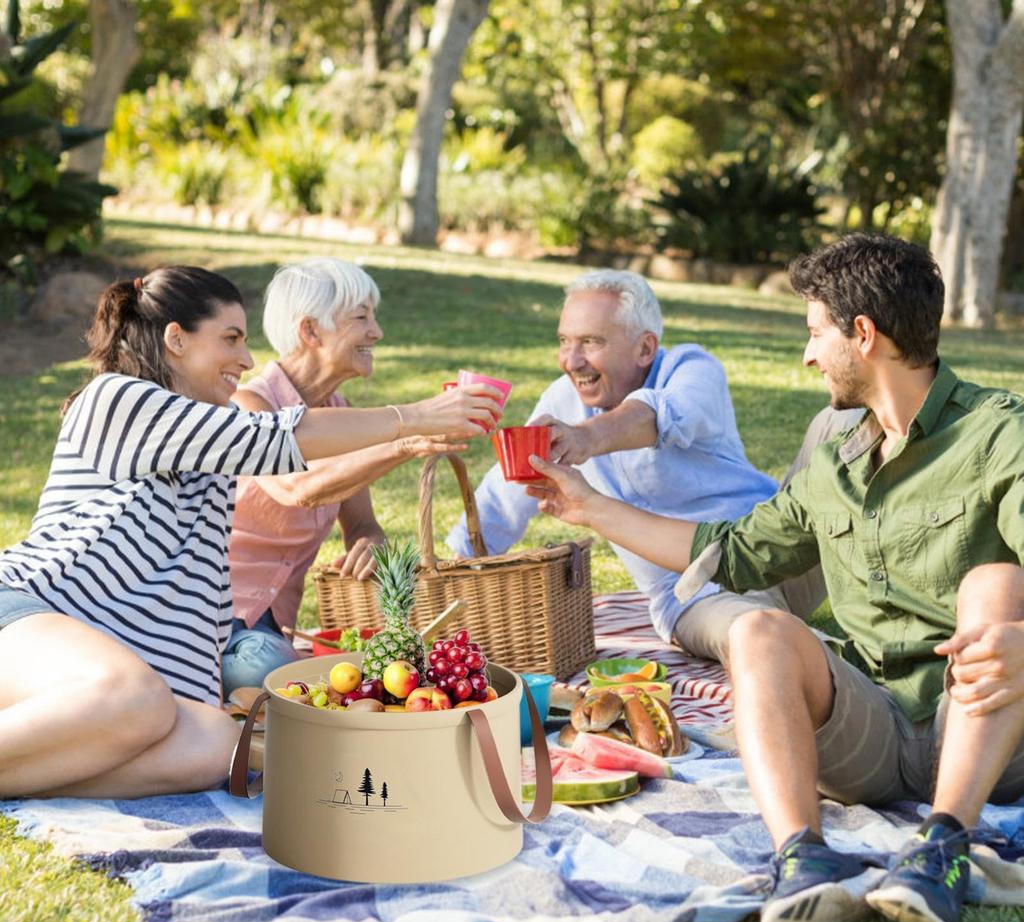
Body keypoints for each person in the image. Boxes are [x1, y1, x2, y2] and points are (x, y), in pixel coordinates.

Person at [524, 234, 1024, 922]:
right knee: (755, 631)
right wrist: (586, 506)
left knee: (996, 583)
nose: (807, 353)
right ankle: (804, 859)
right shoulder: (837, 457)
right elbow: (725, 553)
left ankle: (941, 849)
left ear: (863, 334)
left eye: (816, 332)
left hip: (983, 731)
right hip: (876, 729)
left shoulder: (999, 434)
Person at [0, 266, 502, 800]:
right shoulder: (116, 400)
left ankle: (32, 769)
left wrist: (205, 696)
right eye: (231, 339)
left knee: (220, 742)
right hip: (28, 617)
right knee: (137, 697)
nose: (246, 359)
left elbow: (205, 608)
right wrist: (417, 417)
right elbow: (272, 440)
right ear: (176, 339)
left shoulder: (211, 469)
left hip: (109, 680)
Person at [447, 269, 859, 663]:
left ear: (645, 348)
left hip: (781, 549)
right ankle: (840, 665)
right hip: (696, 594)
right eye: (564, 341)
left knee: (844, 420)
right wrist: (448, 573)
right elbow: (501, 502)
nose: (571, 360)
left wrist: (586, 437)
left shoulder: (693, 369)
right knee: (760, 637)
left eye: (590, 342)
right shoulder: (561, 401)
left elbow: (660, 415)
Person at [223, 258, 464, 693]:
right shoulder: (248, 406)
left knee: (365, 678)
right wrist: (405, 441)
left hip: (272, 630)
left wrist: (369, 543)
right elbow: (297, 487)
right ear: (310, 331)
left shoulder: (340, 411)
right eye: (361, 318)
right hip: (220, 623)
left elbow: (362, 524)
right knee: (279, 680)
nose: (377, 332)